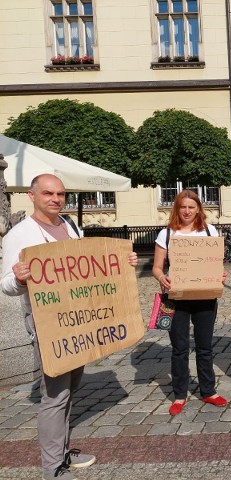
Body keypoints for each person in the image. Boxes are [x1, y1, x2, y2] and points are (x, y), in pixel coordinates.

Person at [1, 174, 138, 480]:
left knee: (73, 386)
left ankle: (62, 451)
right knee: (55, 395)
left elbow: (88, 265)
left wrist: (122, 260)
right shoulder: (21, 234)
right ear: (32, 196)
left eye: (61, 194)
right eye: (48, 193)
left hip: (78, 320)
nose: (56, 199)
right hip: (47, 322)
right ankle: (53, 468)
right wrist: (20, 278)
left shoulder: (70, 226)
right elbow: (7, 285)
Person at [152, 190, 228, 416]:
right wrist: (161, 277)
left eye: (191, 207)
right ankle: (180, 394)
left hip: (205, 296)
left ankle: (208, 390)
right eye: (183, 207)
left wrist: (219, 275)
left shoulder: (209, 231)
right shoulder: (166, 233)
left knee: (205, 347)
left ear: (198, 209)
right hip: (177, 297)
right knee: (179, 348)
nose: (187, 211)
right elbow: (157, 267)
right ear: (177, 208)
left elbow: (216, 263)